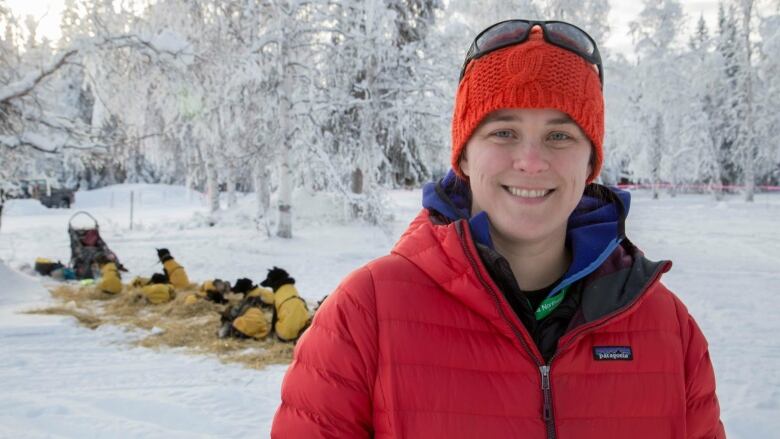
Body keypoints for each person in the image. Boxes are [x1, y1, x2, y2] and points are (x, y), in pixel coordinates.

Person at [272, 19, 725, 438]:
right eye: (503, 132)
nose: (531, 161)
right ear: (465, 156)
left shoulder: (668, 330)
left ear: (590, 161)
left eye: (560, 135)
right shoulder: (365, 314)